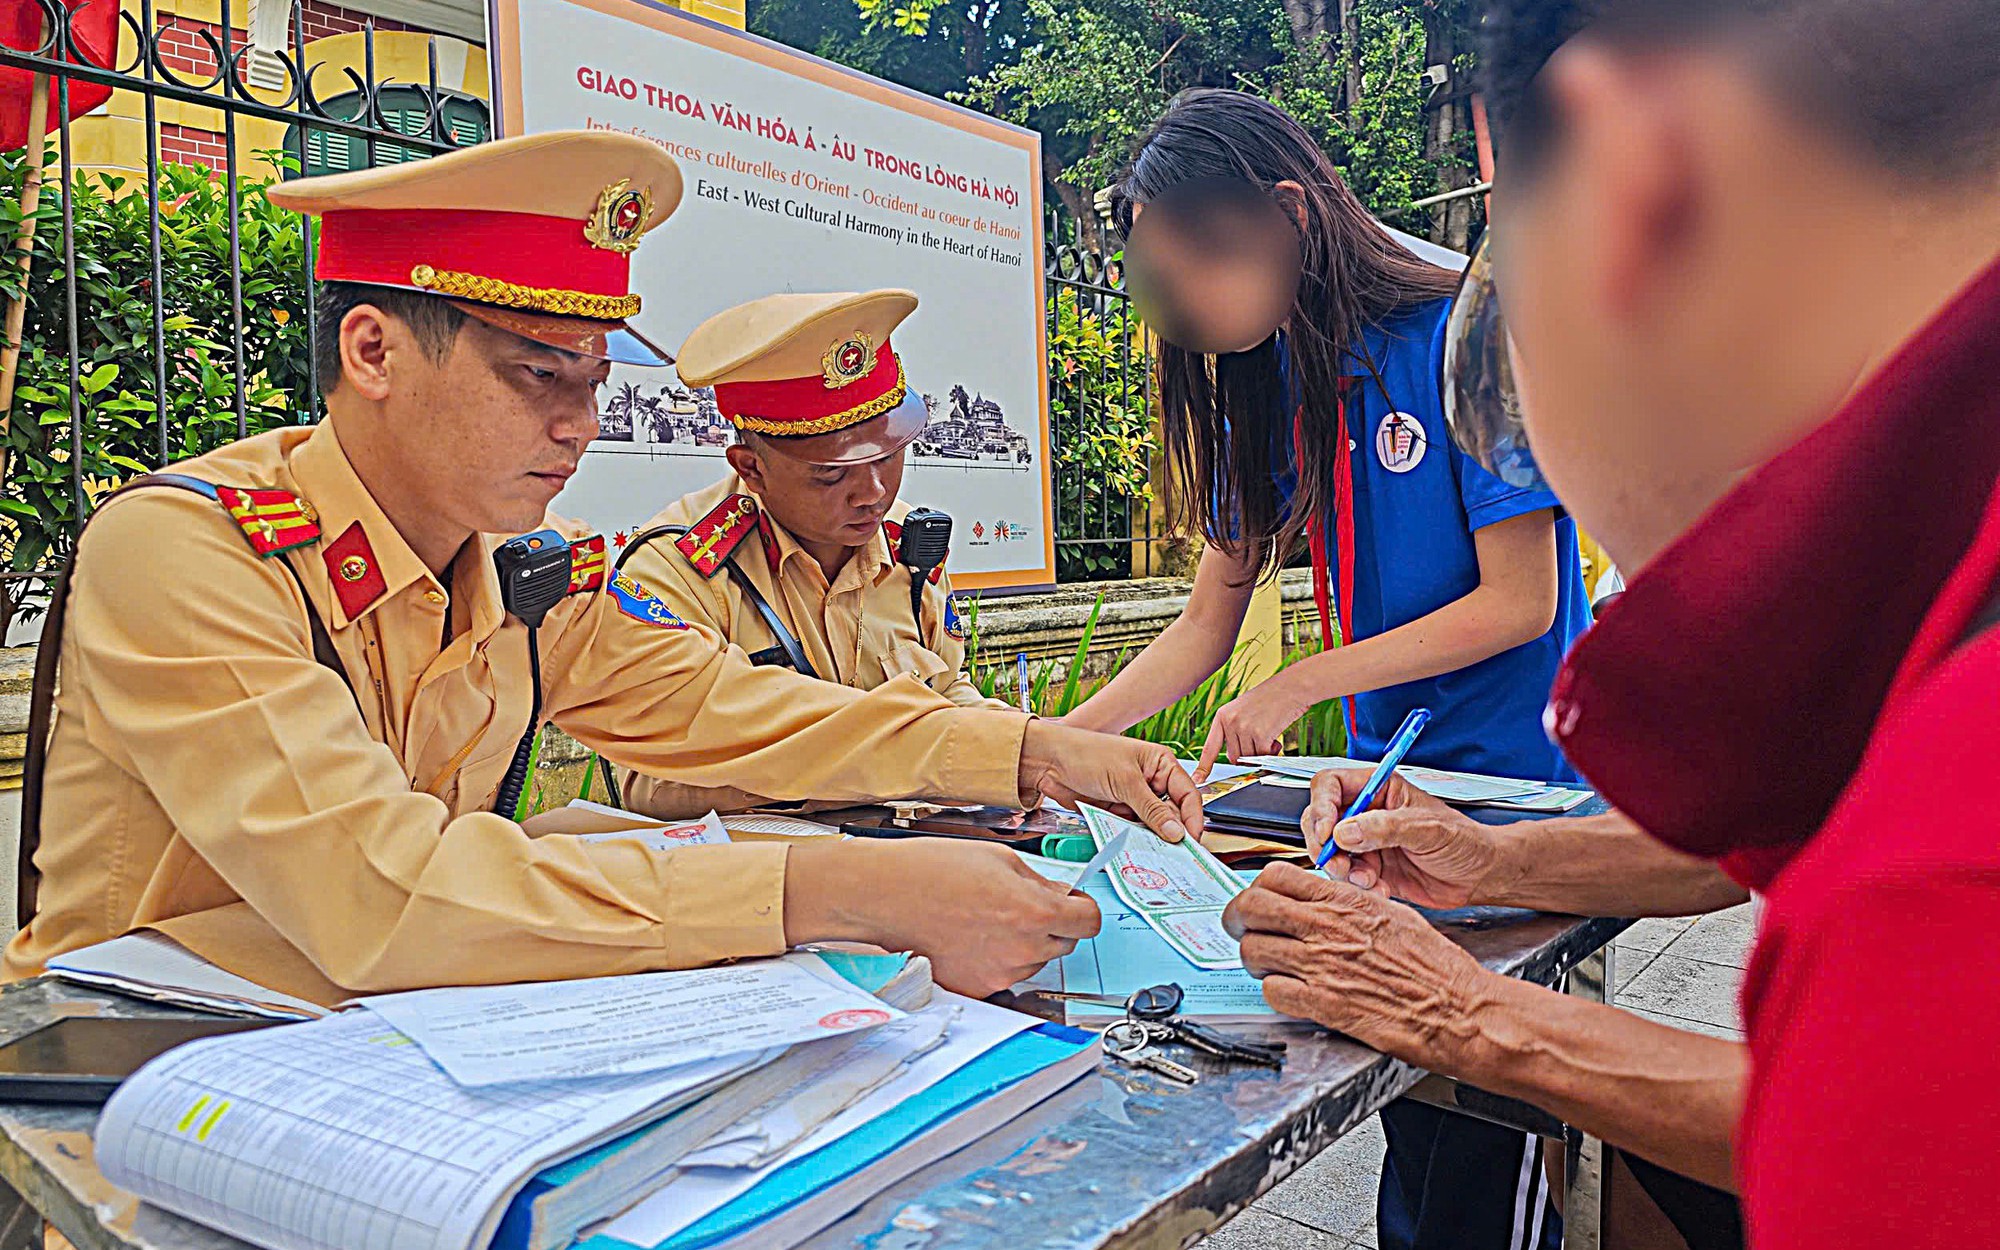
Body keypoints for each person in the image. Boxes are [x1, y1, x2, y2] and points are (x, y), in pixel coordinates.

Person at [4, 130, 1205, 1008]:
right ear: (372, 349)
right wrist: (837, 887)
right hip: (145, 1088)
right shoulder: (193, 550)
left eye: (594, 379)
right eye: (540, 373)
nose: (580, 424)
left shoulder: (516, 579)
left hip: (390, 1042)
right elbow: (378, 890)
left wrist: (1032, 751)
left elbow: (721, 707)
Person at [1222, 1, 2000, 1246]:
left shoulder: (1943, 853)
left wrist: (1467, 1015)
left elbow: (1885, 1113)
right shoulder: (1935, 644)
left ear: (1632, 187)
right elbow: (1781, 841)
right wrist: (1499, 858)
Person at [1062, 89, 1592, 1250]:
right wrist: (1046, 753)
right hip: (1377, 807)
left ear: (1286, 216)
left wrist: (1301, 679)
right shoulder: (1269, 381)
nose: (1179, 312)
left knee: (1489, 1144)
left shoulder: (1469, 334)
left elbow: (1522, 602)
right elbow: (1207, 618)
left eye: (1188, 273)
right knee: (1414, 1110)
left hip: (1521, 798)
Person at [613, 289, 1005, 820]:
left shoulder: (904, 546)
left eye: (889, 456)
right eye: (831, 473)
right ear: (751, 467)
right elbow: (651, 784)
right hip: (763, 884)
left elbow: (948, 687)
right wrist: (885, 767)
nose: (872, 493)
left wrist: (1024, 755)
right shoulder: (676, 573)